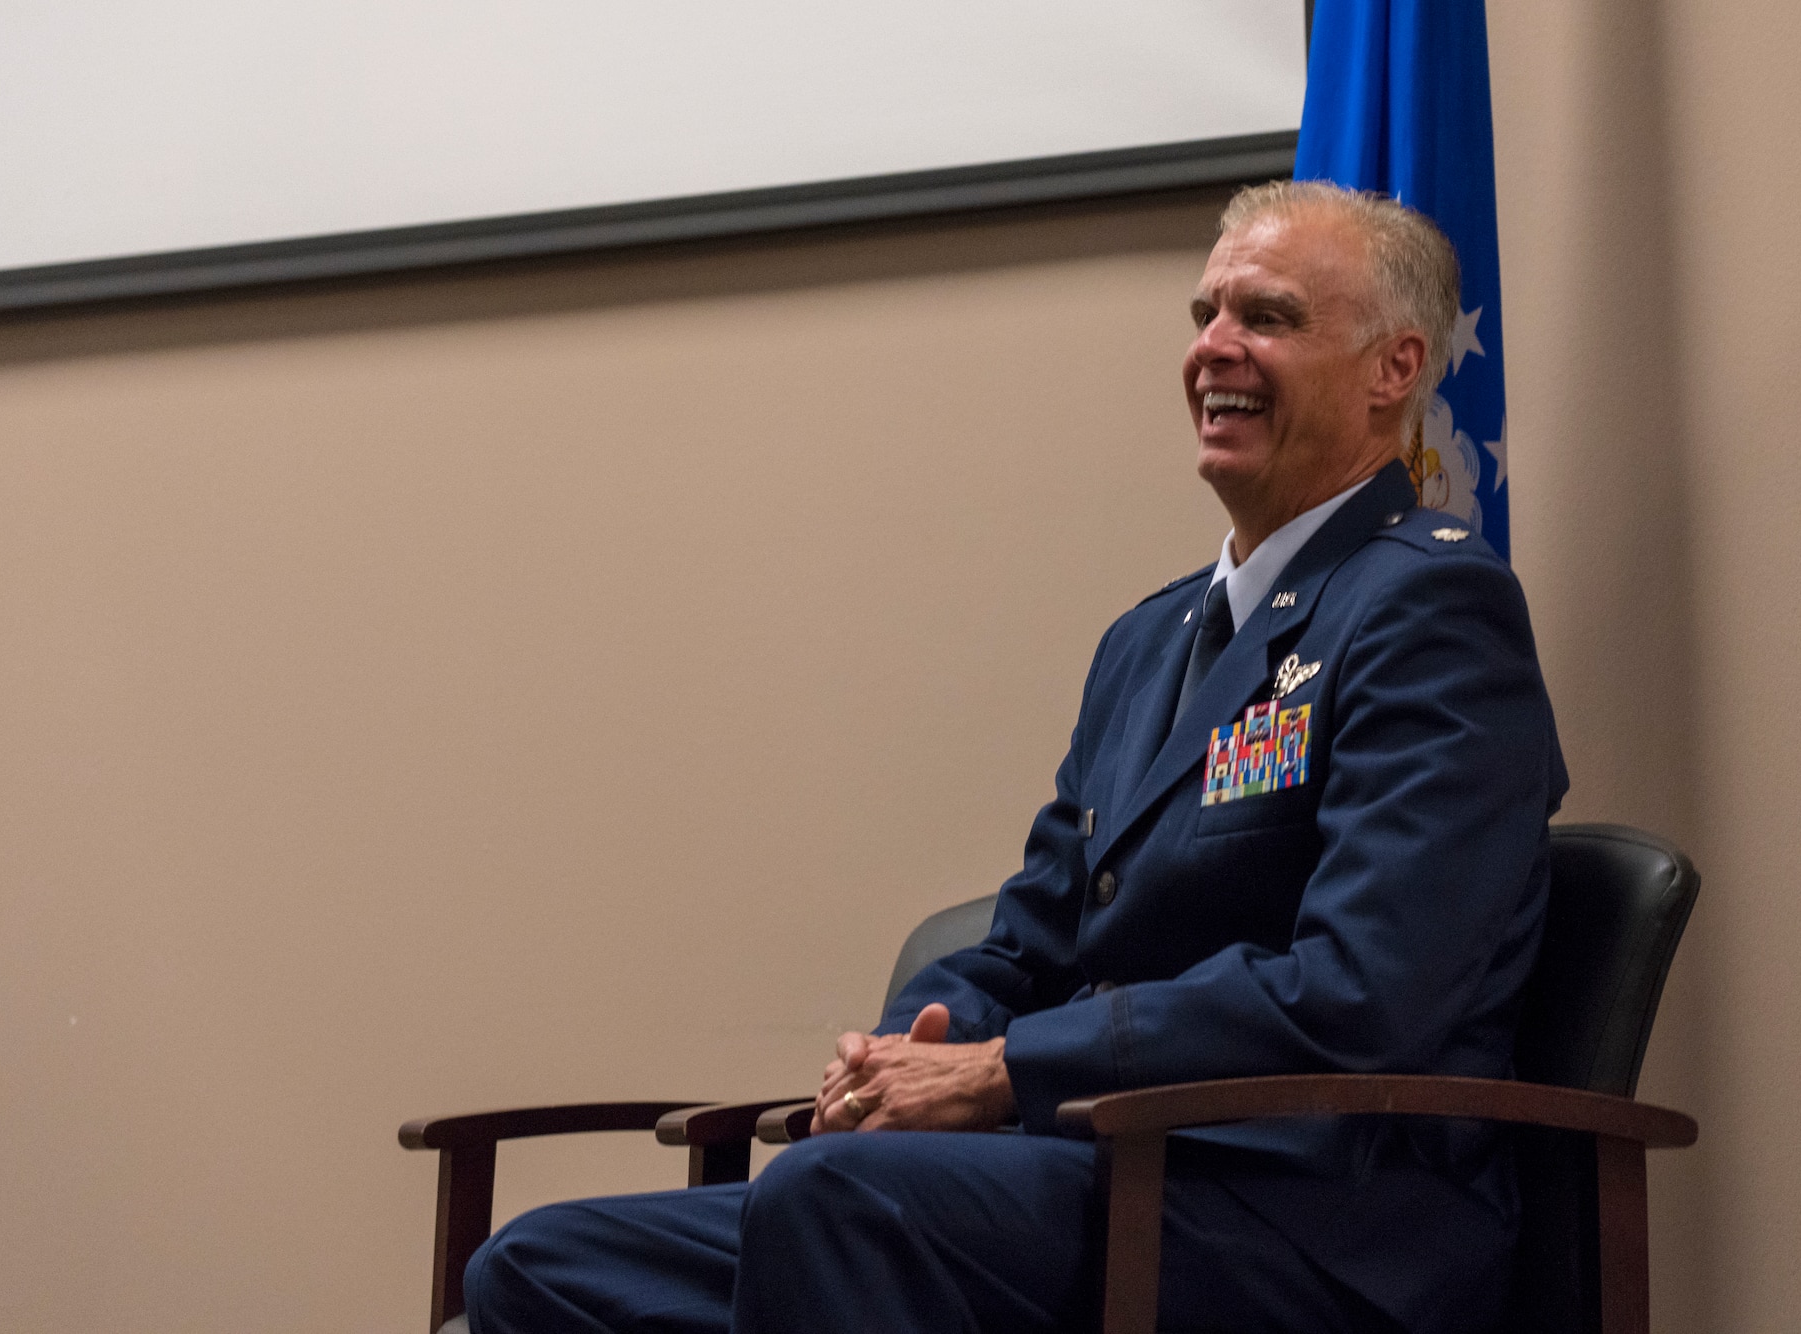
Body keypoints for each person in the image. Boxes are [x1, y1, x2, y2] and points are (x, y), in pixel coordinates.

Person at [464, 180, 1567, 1334]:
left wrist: (1003, 1072)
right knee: (540, 1268)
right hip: (1100, 1174)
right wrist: (913, 1045)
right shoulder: (1147, 641)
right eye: (1204, 313)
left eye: (1268, 316)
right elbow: (1030, 934)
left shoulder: (1428, 605)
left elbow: (1363, 989)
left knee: (838, 1201)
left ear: (1393, 368)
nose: (1213, 348)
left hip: (1312, 1217)